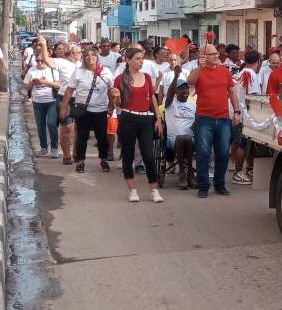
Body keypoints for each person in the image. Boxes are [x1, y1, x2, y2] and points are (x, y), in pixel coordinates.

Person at [109, 47, 164, 203]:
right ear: (128, 60)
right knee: (128, 154)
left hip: (146, 119)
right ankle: (132, 189)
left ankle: (154, 190)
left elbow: (152, 98)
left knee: (148, 155)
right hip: (127, 118)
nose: (141, 62)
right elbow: (117, 104)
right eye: (138, 59)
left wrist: (158, 118)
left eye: (142, 58)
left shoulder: (146, 77)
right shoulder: (120, 79)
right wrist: (117, 97)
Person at [187, 43, 241, 198]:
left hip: (223, 118)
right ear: (203, 56)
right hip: (204, 118)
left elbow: (232, 92)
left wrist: (236, 112)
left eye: (216, 53)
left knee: (223, 153)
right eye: (212, 54)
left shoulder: (224, 71)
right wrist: (200, 67)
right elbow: (190, 81)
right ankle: (203, 186)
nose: (217, 56)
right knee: (203, 153)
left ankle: (219, 184)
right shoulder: (199, 71)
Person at [61, 48, 114, 173]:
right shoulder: (78, 72)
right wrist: (64, 107)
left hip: (100, 110)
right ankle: (80, 162)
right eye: (87, 55)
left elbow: (111, 89)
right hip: (83, 111)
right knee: (82, 137)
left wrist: (111, 105)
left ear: (97, 57)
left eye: (93, 55)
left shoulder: (105, 71)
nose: (90, 57)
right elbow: (69, 90)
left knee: (101, 137)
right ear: (83, 58)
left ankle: (103, 160)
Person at [231, 50, 261, 185]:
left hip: (238, 113)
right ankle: (238, 173)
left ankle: (248, 169)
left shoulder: (241, 73)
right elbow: (254, 97)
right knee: (242, 144)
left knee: (242, 143)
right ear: (258, 62)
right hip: (246, 115)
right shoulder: (251, 74)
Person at [24, 55, 60, 157]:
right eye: (37, 61)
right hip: (37, 102)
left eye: (42, 61)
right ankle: (44, 147)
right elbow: (26, 86)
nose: (39, 63)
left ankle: (54, 148)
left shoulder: (52, 69)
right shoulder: (32, 70)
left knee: (51, 124)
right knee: (40, 126)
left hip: (51, 100)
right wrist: (33, 83)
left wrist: (45, 82)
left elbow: (58, 84)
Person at [164, 78, 196, 190]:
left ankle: (187, 173)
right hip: (173, 141)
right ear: (175, 91)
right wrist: (176, 75)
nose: (185, 90)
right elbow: (169, 94)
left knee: (186, 138)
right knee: (181, 138)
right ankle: (185, 172)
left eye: (186, 88)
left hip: (191, 141)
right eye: (181, 88)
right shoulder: (170, 103)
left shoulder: (193, 105)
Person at [49, 42, 79, 164]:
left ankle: (77, 152)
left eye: (80, 52)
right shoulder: (62, 62)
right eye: (76, 52)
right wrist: (43, 45)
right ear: (71, 53)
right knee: (66, 127)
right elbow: (47, 61)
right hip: (64, 98)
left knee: (78, 128)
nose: (79, 55)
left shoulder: (83, 65)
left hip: (80, 99)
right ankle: (66, 155)